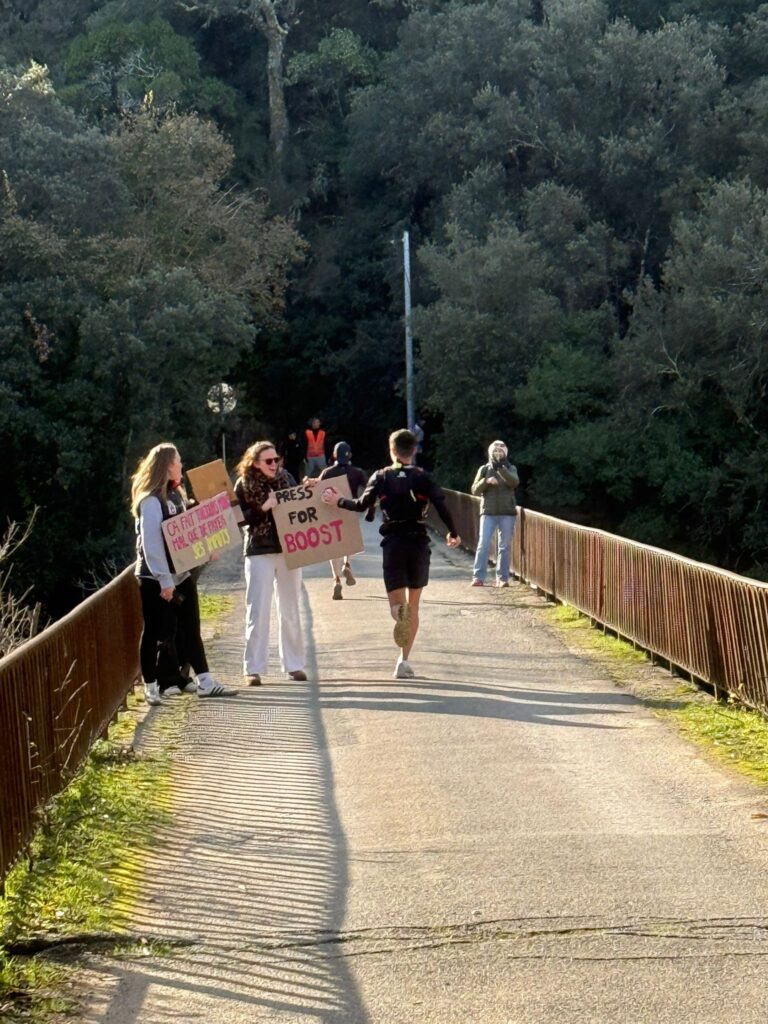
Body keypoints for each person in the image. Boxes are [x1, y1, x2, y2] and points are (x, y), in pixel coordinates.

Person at [321, 429, 460, 679]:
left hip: (393, 543)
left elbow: (363, 505)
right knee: (414, 605)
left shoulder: (382, 476)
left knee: (397, 605)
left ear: (391, 450)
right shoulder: (423, 477)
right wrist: (453, 532)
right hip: (418, 542)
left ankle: (399, 614)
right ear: (414, 450)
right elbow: (441, 504)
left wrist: (339, 501)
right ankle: (403, 661)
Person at [131, 442, 234, 705]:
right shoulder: (151, 501)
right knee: (155, 630)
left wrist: (206, 548)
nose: (181, 464)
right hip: (155, 578)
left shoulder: (176, 494)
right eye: (178, 460)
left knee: (191, 627)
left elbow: (186, 534)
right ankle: (152, 685)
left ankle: (206, 681)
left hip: (181, 574)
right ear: (167, 465)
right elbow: (152, 544)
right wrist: (165, 581)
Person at [235, 440, 307, 686]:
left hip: (289, 550)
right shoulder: (244, 484)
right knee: (258, 609)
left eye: (276, 460)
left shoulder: (287, 478)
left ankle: (294, 664)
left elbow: (301, 506)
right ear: (255, 462)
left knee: (290, 609)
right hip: (259, 550)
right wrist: (264, 507)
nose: (274, 464)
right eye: (268, 461)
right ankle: (252, 668)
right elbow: (237, 520)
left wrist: (310, 489)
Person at [316, 441, 367, 599]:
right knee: (350, 543)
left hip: (331, 512)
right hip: (349, 508)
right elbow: (369, 488)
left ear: (333, 456)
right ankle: (347, 564)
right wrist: (364, 504)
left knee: (334, 548)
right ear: (350, 455)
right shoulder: (357, 472)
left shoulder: (327, 472)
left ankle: (336, 580)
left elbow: (316, 490)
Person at [470, 439, 519, 588]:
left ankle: (502, 578)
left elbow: (514, 482)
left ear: (505, 453)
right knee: (483, 544)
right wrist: (486, 481)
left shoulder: (511, 468)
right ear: (491, 453)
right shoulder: (484, 469)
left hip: (507, 513)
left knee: (504, 546)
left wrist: (501, 470)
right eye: (495, 451)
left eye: (501, 451)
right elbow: (474, 490)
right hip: (488, 512)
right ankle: (478, 577)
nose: (498, 454)